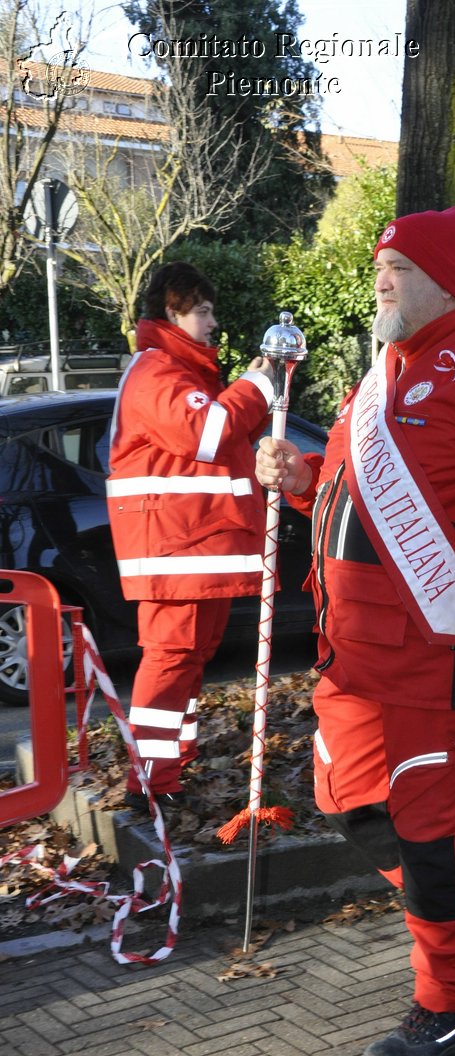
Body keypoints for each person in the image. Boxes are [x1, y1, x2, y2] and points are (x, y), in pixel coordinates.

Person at [255, 207, 455, 1056]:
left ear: (443, 281)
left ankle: (447, 1003)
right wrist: (301, 479)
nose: (380, 280)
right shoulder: (380, 376)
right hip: (350, 657)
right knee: (349, 804)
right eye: (378, 266)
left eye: (396, 266)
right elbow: (366, 498)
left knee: (430, 834)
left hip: (435, 660)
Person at [106, 262, 274, 811]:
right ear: (173, 312)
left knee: (188, 657)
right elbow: (208, 433)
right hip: (175, 548)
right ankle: (150, 784)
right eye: (202, 311)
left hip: (190, 545)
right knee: (172, 658)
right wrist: (257, 385)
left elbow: (222, 435)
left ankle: (170, 767)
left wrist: (252, 389)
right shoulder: (158, 371)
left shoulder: (179, 371)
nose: (212, 322)